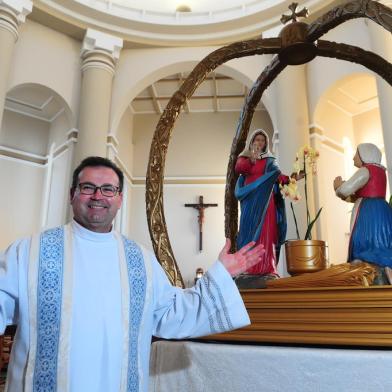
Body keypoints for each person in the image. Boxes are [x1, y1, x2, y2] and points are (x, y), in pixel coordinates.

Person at [0, 156, 264, 392]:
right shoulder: (30, 252)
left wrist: (220, 275)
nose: (98, 196)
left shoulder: (140, 260)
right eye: (88, 187)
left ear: (120, 199)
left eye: (108, 189)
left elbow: (172, 313)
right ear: (72, 194)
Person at [234, 129, 291, 280]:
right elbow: (239, 168)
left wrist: (292, 178)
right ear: (252, 142)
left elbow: (278, 176)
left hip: (266, 200)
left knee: (266, 231)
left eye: (262, 140)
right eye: (257, 140)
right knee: (248, 230)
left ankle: (267, 267)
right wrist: (251, 159)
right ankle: (247, 266)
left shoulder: (269, 160)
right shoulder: (245, 157)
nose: (259, 142)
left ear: (266, 143)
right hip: (250, 198)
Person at [333, 143, 392, 270]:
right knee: (382, 241)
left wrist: (338, 187)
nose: (354, 158)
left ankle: (367, 268)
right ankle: (384, 268)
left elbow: (345, 190)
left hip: (368, 212)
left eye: (356, 154)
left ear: (365, 155)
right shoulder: (381, 171)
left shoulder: (365, 170)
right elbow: (355, 196)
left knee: (366, 241)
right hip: (383, 210)